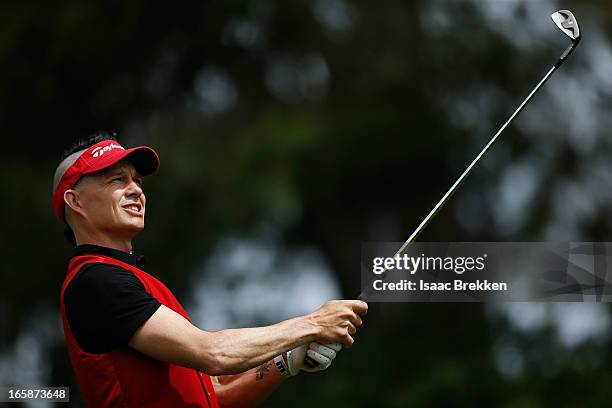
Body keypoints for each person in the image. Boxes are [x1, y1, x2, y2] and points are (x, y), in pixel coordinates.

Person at [53, 131, 367, 408]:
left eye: (136, 180)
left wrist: (288, 360)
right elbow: (213, 353)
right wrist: (313, 323)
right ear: (75, 202)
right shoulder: (95, 280)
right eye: (116, 180)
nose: (136, 190)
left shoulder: (129, 278)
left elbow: (212, 394)